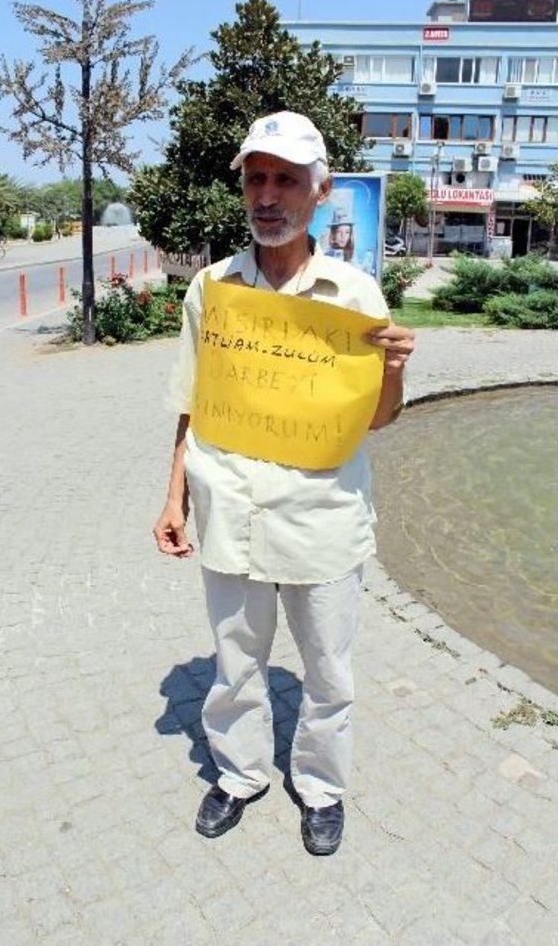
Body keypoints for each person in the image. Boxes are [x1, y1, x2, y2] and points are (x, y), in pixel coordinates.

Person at [153, 111, 415, 856]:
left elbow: (380, 419)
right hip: (229, 510)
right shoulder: (212, 290)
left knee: (328, 669)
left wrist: (392, 371)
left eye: (287, 180)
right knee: (235, 662)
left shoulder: (355, 294)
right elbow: (190, 403)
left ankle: (322, 788)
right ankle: (240, 774)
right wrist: (173, 497)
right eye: (256, 178)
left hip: (320, 519)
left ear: (319, 191)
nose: (268, 195)